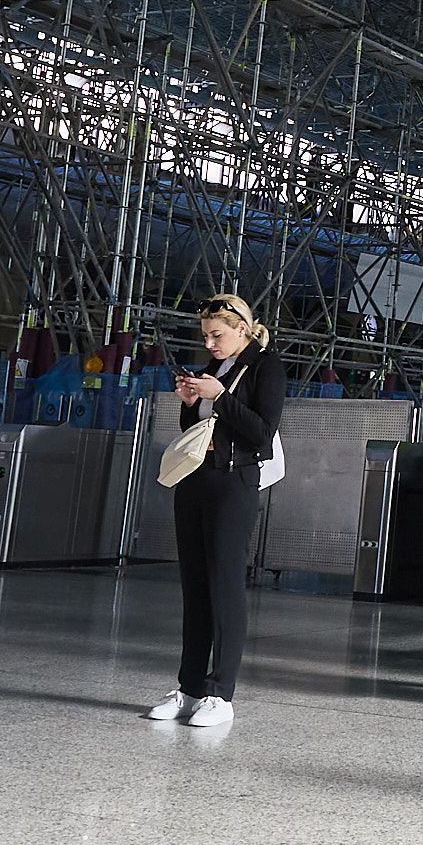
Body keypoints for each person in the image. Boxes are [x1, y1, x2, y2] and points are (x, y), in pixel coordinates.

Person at [152, 294, 286, 729]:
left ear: (242, 329)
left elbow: (263, 433)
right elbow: (196, 431)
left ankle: (221, 692)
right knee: (194, 583)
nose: (210, 343)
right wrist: (190, 401)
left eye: (218, 335)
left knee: (224, 584)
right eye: (206, 335)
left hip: (234, 481)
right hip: (196, 477)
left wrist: (221, 396)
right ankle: (189, 687)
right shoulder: (215, 367)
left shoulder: (265, 366)